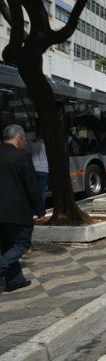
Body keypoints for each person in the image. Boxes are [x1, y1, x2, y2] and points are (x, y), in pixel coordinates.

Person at [0, 125, 45, 292]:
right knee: (21, 243)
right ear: (18, 138)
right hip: (17, 211)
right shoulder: (22, 156)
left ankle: (15, 280)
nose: (25, 143)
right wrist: (40, 210)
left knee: (7, 245)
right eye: (24, 140)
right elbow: (31, 186)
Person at [29, 129, 48, 206]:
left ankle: (34, 208)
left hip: (34, 168)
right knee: (42, 191)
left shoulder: (31, 143)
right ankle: (41, 208)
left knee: (34, 190)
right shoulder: (46, 144)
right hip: (44, 169)